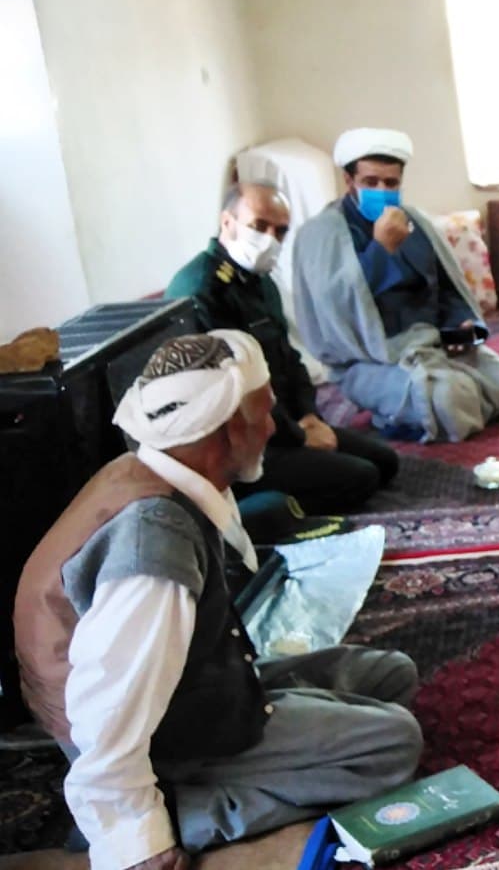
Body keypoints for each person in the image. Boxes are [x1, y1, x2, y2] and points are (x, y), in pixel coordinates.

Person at [13, 332, 423, 869]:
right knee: (394, 744)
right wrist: (135, 838)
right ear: (228, 428)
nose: (272, 427)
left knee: (391, 675)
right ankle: (192, 813)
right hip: (167, 739)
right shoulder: (154, 543)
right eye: (264, 412)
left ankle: (281, 744)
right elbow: (106, 713)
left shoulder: (150, 470)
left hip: (193, 691)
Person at [166, 182, 400, 515]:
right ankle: (246, 512)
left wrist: (308, 415)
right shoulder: (203, 288)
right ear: (227, 222)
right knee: (362, 478)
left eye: (280, 231)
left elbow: (288, 359)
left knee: (386, 462)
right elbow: (233, 392)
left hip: (282, 424)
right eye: (259, 226)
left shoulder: (261, 282)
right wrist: (298, 437)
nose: (270, 239)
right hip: (239, 443)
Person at [292, 128, 499, 442]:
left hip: (432, 344)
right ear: (349, 181)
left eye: (391, 183)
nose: (382, 190)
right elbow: (337, 315)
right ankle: (394, 414)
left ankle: (422, 405)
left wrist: (462, 324)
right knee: (450, 400)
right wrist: (380, 250)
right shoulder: (322, 233)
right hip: (370, 359)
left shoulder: (415, 222)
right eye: (370, 182)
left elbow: (446, 287)